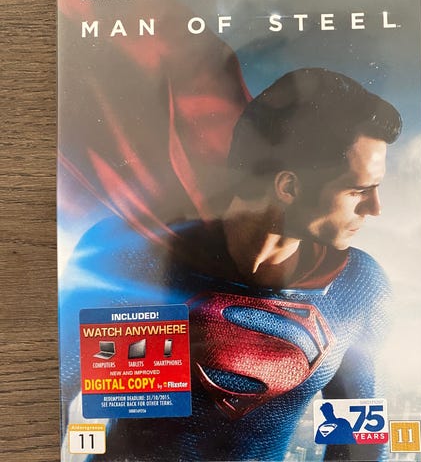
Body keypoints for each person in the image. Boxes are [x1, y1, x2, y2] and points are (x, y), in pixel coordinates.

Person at [60, 68, 402, 461]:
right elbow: (53, 392)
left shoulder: (358, 287)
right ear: (289, 187)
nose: (375, 208)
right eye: (358, 190)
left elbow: (362, 442)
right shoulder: (128, 256)